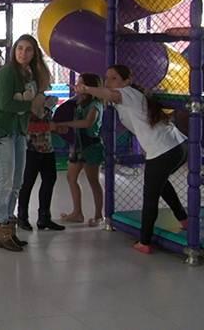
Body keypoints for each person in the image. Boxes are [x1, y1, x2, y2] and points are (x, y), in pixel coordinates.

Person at [76, 65, 188, 254]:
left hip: (164, 150)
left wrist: (86, 88)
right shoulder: (130, 97)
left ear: (127, 81)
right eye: (107, 78)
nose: (109, 82)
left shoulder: (126, 93)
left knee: (150, 195)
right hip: (177, 147)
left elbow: (109, 94)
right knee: (160, 185)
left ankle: (144, 242)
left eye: (114, 78)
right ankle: (183, 219)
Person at [0, 34, 50, 252]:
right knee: (5, 181)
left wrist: (39, 103)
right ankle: (1, 227)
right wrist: (32, 105)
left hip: (18, 131)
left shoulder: (30, 74)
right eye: (20, 48)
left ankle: (8, 228)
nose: (23, 53)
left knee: (17, 182)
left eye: (28, 49)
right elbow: (5, 104)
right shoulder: (7, 73)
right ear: (14, 50)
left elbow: (35, 100)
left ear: (34, 53)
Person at [54, 73, 105, 227]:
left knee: (93, 181)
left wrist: (65, 124)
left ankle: (99, 215)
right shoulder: (79, 103)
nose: (77, 86)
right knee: (71, 177)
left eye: (81, 83)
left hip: (91, 146)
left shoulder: (95, 104)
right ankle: (77, 213)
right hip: (78, 146)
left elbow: (87, 123)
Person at [17, 94, 66, 232]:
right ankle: (22, 217)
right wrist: (48, 126)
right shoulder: (26, 105)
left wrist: (55, 128)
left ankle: (44, 217)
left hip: (47, 148)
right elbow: (27, 127)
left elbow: (48, 121)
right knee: (27, 183)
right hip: (31, 150)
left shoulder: (47, 103)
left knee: (49, 181)